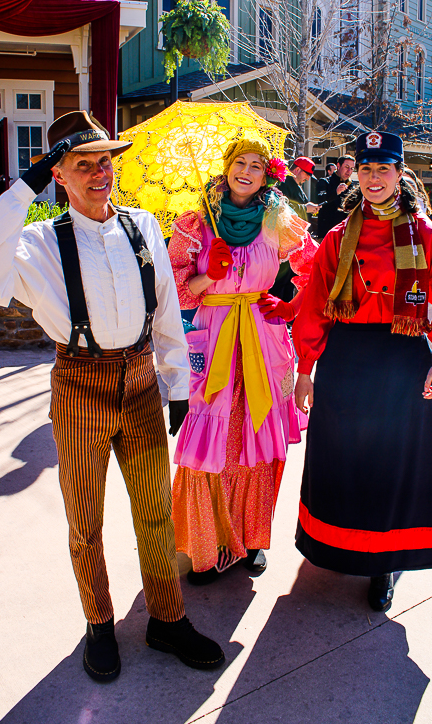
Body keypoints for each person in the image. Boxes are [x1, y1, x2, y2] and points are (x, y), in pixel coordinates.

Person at [0, 110, 224, 682]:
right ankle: (99, 624)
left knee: (154, 511)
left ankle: (166, 619)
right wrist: (21, 191)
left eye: (105, 160)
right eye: (83, 164)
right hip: (79, 383)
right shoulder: (35, 244)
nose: (100, 172)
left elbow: (166, 314)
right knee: (86, 516)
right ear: (58, 174)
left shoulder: (142, 226)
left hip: (139, 380)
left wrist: (177, 383)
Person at [293, 131, 432, 613]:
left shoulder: (425, 234)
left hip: (401, 362)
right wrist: (305, 367)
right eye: (366, 169)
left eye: (384, 169)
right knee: (345, 458)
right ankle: (339, 546)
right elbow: (314, 304)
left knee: (393, 465)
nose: (374, 178)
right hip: (346, 361)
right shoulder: (337, 236)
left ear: (400, 174)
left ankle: (385, 565)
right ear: (358, 173)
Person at [168, 138, 317, 584]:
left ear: (267, 174)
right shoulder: (196, 223)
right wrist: (205, 275)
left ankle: (252, 538)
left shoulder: (279, 220)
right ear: (227, 167)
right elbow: (173, 290)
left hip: (264, 337)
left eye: (256, 164)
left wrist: (291, 305)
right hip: (212, 340)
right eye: (239, 163)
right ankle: (208, 543)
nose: (246, 171)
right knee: (208, 447)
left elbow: (319, 271)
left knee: (257, 443)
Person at [271, 156, 318, 302]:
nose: (308, 179)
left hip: (294, 242)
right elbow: (281, 208)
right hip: (285, 241)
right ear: (297, 169)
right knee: (281, 282)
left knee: (290, 280)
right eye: (307, 174)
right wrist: (305, 208)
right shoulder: (284, 183)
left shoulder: (295, 185)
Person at [316, 154, 355, 240]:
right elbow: (319, 200)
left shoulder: (351, 186)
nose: (349, 171)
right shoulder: (324, 182)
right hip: (327, 233)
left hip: (345, 234)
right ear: (338, 166)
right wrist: (336, 192)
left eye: (352, 168)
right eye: (346, 167)